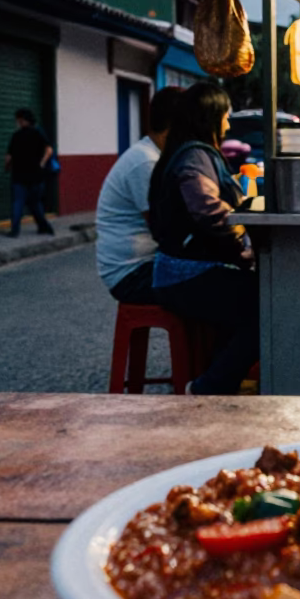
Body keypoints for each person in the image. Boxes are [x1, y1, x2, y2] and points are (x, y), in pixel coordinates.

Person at [148, 82, 259, 395]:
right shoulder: (195, 155)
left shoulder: (190, 152)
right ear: (208, 117)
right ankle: (208, 387)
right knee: (266, 306)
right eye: (224, 116)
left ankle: (220, 383)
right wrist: (244, 236)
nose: (227, 123)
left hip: (185, 271)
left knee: (251, 299)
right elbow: (209, 211)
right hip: (184, 274)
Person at [95, 87, 184, 303]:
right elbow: (164, 229)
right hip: (131, 275)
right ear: (177, 124)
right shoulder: (146, 162)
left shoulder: (155, 156)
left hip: (145, 265)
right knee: (217, 288)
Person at [4, 108, 55, 237]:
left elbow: (9, 157)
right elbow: (49, 150)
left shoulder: (16, 136)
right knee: (35, 203)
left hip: (19, 176)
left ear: (22, 120)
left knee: (18, 202)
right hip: (36, 176)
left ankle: (15, 230)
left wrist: (7, 167)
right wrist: (42, 163)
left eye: (18, 120)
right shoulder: (38, 133)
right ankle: (44, 226)